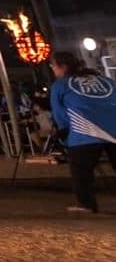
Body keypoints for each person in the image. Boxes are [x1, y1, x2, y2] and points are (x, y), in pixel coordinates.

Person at [49, 51, 116, 213]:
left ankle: (86, 204)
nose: (53, 69)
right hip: (114, 129)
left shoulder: (61, 85)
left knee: (81, 170)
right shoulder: (107, 81)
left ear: (62, 66)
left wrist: (64, 134)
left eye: (53, 66)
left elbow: (60, 115)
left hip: (84, 132)